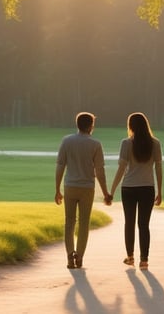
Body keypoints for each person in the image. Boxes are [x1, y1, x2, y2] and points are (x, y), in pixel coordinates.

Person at [55, 112, 112, 269]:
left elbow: (60, 166)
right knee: (84, 223)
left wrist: (57, 189)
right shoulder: (95, 144)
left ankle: (69, 256)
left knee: (69, 222)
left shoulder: (67, 141)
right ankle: (79, 256)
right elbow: (99, 171)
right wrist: (106, 193)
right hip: (87, 188)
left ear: (77, 124)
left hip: (70, 186)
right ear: (90, 126)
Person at [108, 112, 163, 270]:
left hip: (129, 188)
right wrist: (159, 191)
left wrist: (112, 190)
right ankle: (144, 260)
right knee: (144, 225)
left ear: (131, 126)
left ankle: (130, 256)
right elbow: (158, 168)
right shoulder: (155, 143)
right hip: (147, 188)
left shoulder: (126, 143)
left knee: (129, 223)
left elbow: (121, 169)